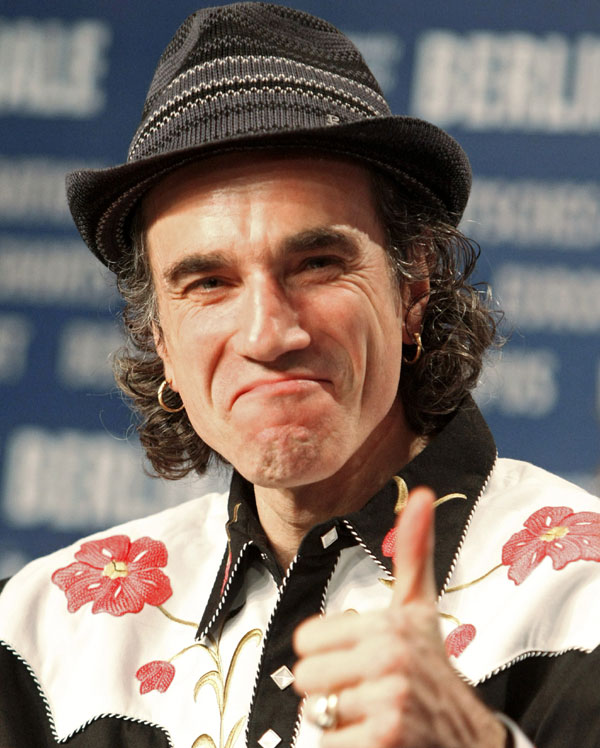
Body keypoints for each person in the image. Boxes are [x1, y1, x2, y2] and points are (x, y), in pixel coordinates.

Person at [1, 3, 599, 747]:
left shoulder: (581, 597)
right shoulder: (38, 633)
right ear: (161, 342)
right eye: (208, 283)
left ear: (413, 289)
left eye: (317, 264)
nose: (268, 334)